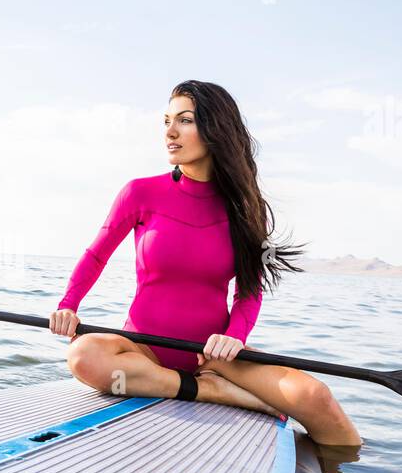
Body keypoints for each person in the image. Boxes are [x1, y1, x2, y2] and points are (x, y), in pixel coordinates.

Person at [50, 80, 362, 447]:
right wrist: (69, 305)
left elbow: (249, 290)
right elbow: (97, 254)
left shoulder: (245, 209)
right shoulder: (140, 192)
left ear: (215, 129)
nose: (169, 131)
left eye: (184, 120)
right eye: (166, 120)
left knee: (315, 397)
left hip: (213, 356)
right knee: (85, 356)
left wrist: (234, 338)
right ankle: (212, 392)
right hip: (143, 350)